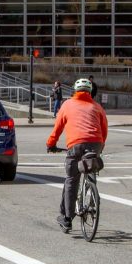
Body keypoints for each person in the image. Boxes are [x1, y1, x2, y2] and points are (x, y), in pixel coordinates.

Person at [46, 78, 108, 233]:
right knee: (90, 169)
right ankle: (92, 199)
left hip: (76, 144)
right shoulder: (97, 106)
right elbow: (104, 128)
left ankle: (67, 219)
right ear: (89, 92)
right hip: (96, 143)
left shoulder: (67, 105)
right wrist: (101, 145)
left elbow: (58, 128)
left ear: (75, 90)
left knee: (72, 180)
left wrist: (51, 144)